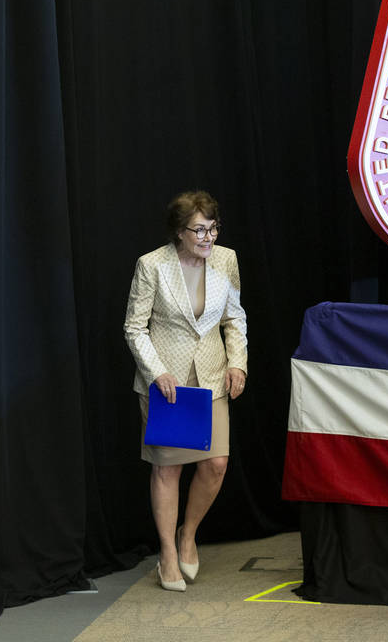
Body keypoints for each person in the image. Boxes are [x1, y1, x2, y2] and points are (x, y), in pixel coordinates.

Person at [123, 190, 248, 592]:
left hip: (212, 377)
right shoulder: (152, 266)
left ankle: (188, 533)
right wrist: (157, 371)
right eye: (199, 230)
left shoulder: (226, 260)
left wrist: (238, 362)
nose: (208, 237)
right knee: (169, 468)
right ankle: (167, 554)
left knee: (215, 465)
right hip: (168, 385)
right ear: (179, 232)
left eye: (212, 228)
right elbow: (134, 327)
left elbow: (234, 318)